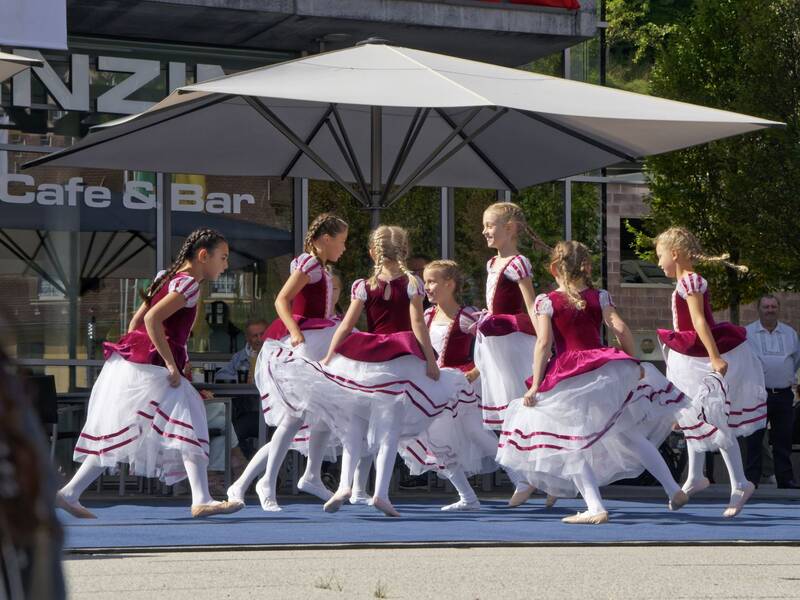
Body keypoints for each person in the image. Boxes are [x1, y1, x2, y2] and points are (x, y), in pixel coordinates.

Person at [269, 225, 468, 517]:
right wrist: (429, 358)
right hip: (400, 357)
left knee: (355, 426)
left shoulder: (363, 284)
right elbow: (417, 324)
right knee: (389, 429)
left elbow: (348, 326)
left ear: (373, 252)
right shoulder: (412, 283)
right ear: (405, 251)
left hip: (366, 356)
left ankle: (344, 486)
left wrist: (330, 355)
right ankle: (381, 493)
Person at [497, 241, 689, 524]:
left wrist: (536, 384)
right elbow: (620, 328)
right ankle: (673, 489)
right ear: (585, 267)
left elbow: (543, 343)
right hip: (606, 367)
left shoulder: (546, 300)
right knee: (628, 432)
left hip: (570, 372)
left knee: (570, 441)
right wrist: (631, 362)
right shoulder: (600, 296)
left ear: (553, 269)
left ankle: (595, 506)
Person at [56, 229, 243, 518]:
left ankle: (70, 492)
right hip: (153, 364)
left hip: (137, 360)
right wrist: (169, 364)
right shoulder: (189, 285)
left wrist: (140, 354)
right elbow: (151, 318)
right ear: (203, 256)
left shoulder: (164, 277)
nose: (225, 264)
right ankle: (201, 497)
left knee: (129, 427)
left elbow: (135, 323)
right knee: (189, 420)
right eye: (223, 257)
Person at [397, 260, 546, 511]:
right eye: (425, 281)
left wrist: (475, 373)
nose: (427, 287)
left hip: (460, 384)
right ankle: (468, 496)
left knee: (477, 433)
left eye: (432, 281)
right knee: (435, 439)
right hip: (435, 386)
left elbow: (487, 352)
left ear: (450, 284)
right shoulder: (426, 316)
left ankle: (519, 478)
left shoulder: (468, 316)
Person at [226, 213, 348, 511]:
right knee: (293, 418)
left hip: (317, 340)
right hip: (298, 345)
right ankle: (266, 482)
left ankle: (304, 476)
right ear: (325, 240)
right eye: (342, 242)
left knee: (321, 415)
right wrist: (296, 334)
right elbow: (282, 300)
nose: (344, 248)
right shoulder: (308, 264)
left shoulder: (323, 269)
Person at [655, 227, 767, 517]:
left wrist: (715, 356)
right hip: (688, 356)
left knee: (714, 418)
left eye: (660, 256)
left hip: (700, 358)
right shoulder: (684, 282)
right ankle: (695, 476)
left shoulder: (690, 281)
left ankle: (740, 482)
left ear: (675, 254)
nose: (658, 263)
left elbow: (699, 321)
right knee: (692, 416)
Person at [473, 201, 546, 506]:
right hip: (493, 344)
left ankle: (539, 477)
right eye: (485, 225)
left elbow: (530, 306)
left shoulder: (518, 263)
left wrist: (543, 335)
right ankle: (526, 477)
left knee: (521, 408)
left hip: (513, 343)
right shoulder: (493, 264)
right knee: (502, 415)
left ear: (510, 228)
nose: (485, 231)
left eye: (490, 225)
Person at [745, 295, 800, 489]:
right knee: (754, 438)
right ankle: (751, 480)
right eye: (766, 306)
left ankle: (785, 479)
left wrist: (783, 376)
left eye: (773, 306)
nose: (770, 310)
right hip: (757, 394)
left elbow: (795, 360)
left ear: (779, 309)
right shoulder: (747, 332)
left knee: (783, 439)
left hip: (783, 394)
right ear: (758, 309)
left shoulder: (789, 333)